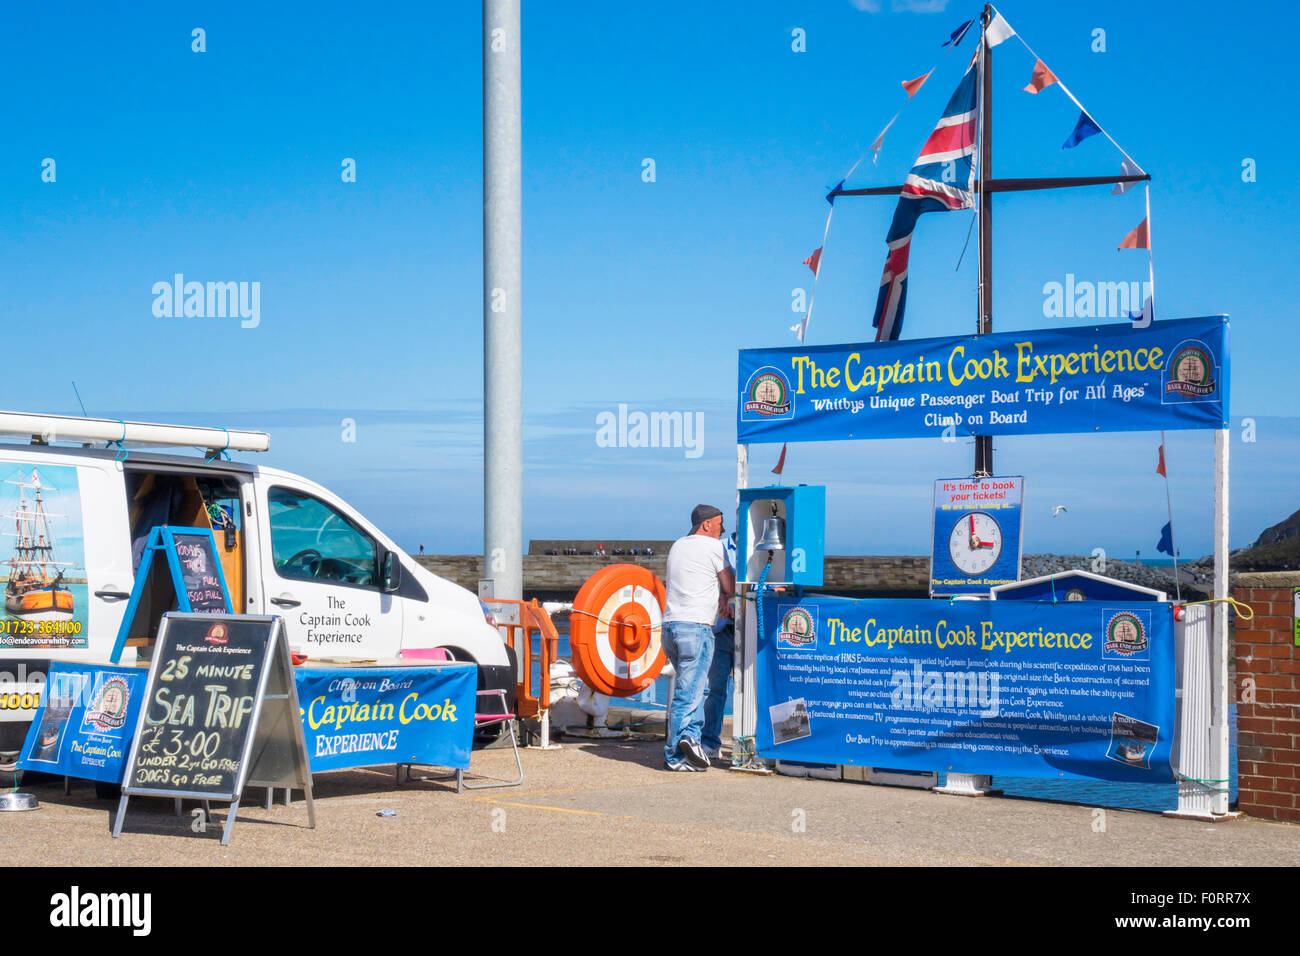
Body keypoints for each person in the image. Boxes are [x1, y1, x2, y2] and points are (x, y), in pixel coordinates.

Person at [662, 504, 734, 771]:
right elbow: (729, 582)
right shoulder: (714, 547)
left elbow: (698, 579)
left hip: (670, 627)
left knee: (696, 688)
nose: (722, 530)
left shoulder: (678, 546)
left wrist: (720, 596)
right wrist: (726, 594)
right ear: (706, 525)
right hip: (696, 628)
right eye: (719, 524)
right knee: (688, 695)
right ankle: (674, 756)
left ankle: (690, 742)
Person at [701, 531, 737, 761]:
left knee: (757, 689)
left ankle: (757, 742)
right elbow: (708, 580)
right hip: (723, 628)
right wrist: (723, 599)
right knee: (716, 689)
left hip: (754, 629)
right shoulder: (719, 547)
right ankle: (710, 742)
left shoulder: (767, 549)